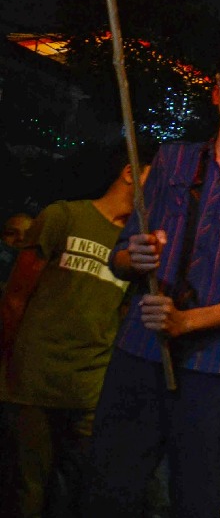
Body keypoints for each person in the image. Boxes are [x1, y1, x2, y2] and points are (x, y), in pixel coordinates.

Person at [84, 45, 220, 518]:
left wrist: (187, 322)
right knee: (108, 489)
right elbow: (120, 256)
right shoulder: (173, 160)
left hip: (219, 371)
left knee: (198, 501)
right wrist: (135, 256)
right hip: (139, 353)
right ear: (216, 92)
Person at [0, 149, 148, 518]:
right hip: (34, 379)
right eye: (155, 176)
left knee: (81, 488)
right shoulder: (63, 216)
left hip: (89, 388)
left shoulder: (137, 248)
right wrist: (8, 361)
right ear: (130, 172)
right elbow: (16, 296)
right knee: (26, 489)